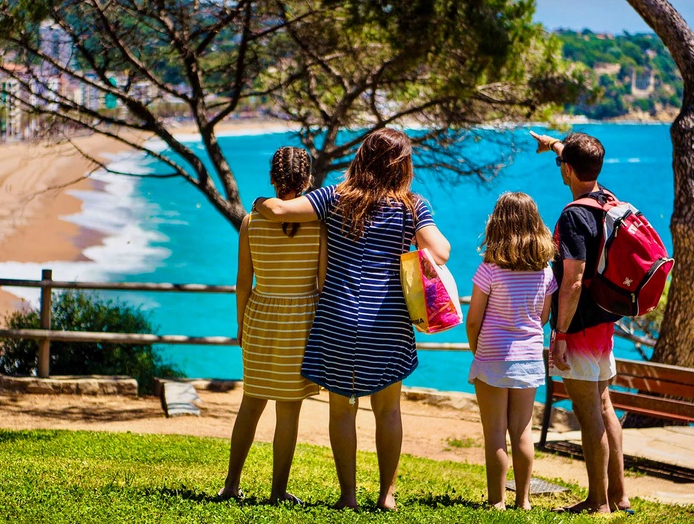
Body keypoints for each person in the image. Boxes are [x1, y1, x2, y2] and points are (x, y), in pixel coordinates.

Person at [254, 128, 450, 511]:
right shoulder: (412, 205)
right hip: (388, 320)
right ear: (402, 164)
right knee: (388, 410)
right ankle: (386, 496)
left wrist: (261, 199)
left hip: (337, 316)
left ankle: (348, 496)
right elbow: (440, 251)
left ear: (361, 158)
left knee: (343, 409)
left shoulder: (334, 197)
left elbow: (277, 210)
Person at [529, 130, 631, 514]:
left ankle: (597, 501)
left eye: (562, 163)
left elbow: (571, 282)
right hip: (606, 323)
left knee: (589, 414)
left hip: (581, 326)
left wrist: (560, 334)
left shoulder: (573, 215)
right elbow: (574, 157)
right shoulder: (607, 199)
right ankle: (619, 495)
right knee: (604, 406)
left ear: (567, 170)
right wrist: (555, 144)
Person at [218, 146, 326, 504]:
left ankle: (231, 483)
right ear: (308, 179)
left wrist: (241, 324)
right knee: (289, 410)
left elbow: (243, 281)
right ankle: (278, 491)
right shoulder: (319, 224)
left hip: (260, 315)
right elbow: (322, 283)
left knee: (251, 402)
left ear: (272, 179)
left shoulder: (251, 221)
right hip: (302, 321)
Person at [465, 192, 557, 510]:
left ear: (498, 225)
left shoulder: (489, 269)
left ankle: (496, 501)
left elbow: (473, 319)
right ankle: (524, 500)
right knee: (521, 431)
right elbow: (543, 317)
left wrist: (477, 351)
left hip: (493, 356)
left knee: (495, 433)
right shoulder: (545, 272)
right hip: (530, 357)